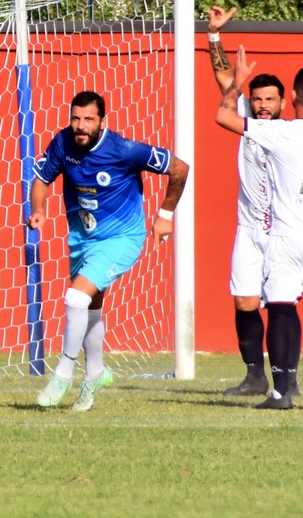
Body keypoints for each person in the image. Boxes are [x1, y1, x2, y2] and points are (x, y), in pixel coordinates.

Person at [30, 90, 189, 413]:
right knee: (90, 308)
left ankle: (63, 372)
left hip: (122, 238)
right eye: (76, 118)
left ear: (102, 121)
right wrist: (38, 209)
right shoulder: (62, 143)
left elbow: (180, 168)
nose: (80, 126)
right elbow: (41, 178)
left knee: (75, 298)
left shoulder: (124, 150)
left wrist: (165, 215)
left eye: (88, 119)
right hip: (83, 237)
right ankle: (94, 377)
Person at [217, 59, 303, 411]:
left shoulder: (283, 133)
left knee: (281, 308)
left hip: (287, 237)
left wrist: (235, 84)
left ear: (291, 97)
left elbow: (223, 116)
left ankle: (281, 393)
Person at [209, 6, 288, 397]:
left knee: (280, 305)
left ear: (283, 103)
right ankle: (255, 376)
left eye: (270, 100)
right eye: (257, 99)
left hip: (284, 232)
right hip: (248, 228)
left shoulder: (290, 135)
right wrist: (213, 36)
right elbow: (226, 82)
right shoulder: (247, 122)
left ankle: (285, 378)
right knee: (244, 301)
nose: (261, 105)